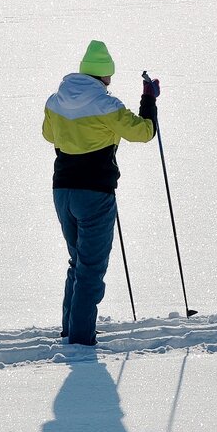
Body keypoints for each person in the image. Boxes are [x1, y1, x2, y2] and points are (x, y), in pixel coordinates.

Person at [42, 40, 160, 346]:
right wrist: (149, 100)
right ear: (105, 76)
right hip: (95, 193)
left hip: (62, 190)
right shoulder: (108, 106)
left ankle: (71, 328)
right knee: (91, 268)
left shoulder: (55, 101)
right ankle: (81, 340)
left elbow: (49, 134)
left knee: (77, 261)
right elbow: (144, 132)